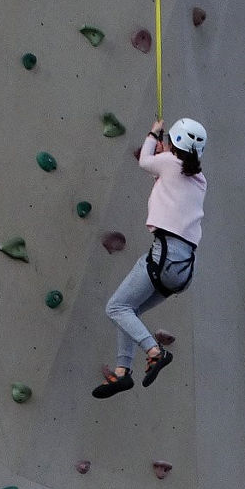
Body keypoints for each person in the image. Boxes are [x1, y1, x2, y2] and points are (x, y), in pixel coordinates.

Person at [93, 117, 206, 397]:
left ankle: (155, 351)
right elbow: (167, 178)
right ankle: (122, 371)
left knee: (116, 308)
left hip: (165, 255)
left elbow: (145, 161)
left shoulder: (169, 163)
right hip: (184, 268)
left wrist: (153, 134)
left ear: (173, 142)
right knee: (130, 311)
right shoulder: (199, 180)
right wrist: (163, 150)